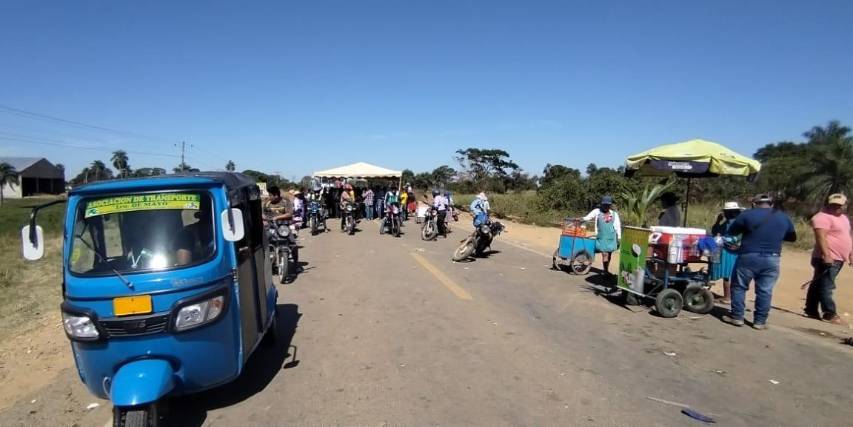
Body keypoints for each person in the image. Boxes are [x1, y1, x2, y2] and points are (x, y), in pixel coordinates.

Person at [722, 194, 796, 330]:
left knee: (739, 286)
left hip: (749, 256)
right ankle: (760, 321)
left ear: (754, 204)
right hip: (772, 258)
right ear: (771, 204)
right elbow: (792, 237)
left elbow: (732, 232)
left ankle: (737, 317)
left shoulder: (747, 215)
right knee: (765, 290)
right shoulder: (784, 217)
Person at [805, 193, 852, 325]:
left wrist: (851, 253)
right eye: (834, 205)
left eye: (839, 205)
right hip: (827, 257)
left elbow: (847, 235)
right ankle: (829, 313)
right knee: (827, 285)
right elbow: (821, 237)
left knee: (818, 284)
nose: (837, 208)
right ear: (828, 204)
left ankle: (811, 309)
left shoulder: (844, 218)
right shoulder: (821, 217)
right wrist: (826, 255)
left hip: (839, 257)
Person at [710, 201, 744, 303]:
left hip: (730, 251)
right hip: (731, 250)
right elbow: (716, 232)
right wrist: (718, 222)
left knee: (727, 274)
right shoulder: (731, 221)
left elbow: (731, 237)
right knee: (729, 274)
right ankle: (729, 296)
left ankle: (727, 297)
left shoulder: (732, 223)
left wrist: (721, 238)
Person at [583, 196, 621, 275]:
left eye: (607, 205)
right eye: (604, 204)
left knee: (609, 253)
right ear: (601, 204)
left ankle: (605, 269)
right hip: (601, 237)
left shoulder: (614, 214)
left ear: (610, 205)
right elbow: (587, 218)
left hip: (611, 237)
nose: (606, 206)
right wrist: (580, 219)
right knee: (604, 253)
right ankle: (605, 271)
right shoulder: (597, 211)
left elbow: (617, 226)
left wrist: (619, 237)